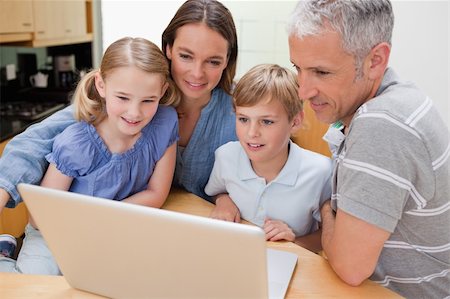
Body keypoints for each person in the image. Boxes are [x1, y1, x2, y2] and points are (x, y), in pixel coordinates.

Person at [0, 0, 238, 235]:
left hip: (198, 228)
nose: (197, 72)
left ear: (227, 60)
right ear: (168, 49)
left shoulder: (240, 111)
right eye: (186, 56)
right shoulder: (128, 98)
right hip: (127, 226)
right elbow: (34, 141)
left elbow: (264, 168)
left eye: (213, 61)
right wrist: (3, 189)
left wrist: (224, 196)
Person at [287, 0, 450, 298]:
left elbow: (350, 267)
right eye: (298, 68)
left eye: (322, 72)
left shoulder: (383, 124)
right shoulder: (399, 98)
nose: (303, 91)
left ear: (375, 60)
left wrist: (326, 208)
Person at [0, 37, 180, 274]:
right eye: (123, 98)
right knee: (34, 287)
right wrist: (88, 228)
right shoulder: (77, 142)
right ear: (101, 85)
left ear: (163, 91)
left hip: (114, 227)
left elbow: (156, 193)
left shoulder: (165, 122)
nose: (135, 112)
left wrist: (102, 223)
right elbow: (39, 217)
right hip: (54, 232)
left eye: (148, 100)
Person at [205, 64, 332, 252]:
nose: (252, 133)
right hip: (234, 254)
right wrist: (224, 201)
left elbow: (328, 237)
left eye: (266, 121)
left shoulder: (321, 172)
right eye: (243, 119)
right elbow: (217, 190)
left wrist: (293, 241)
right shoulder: (226, 156)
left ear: (295, 121)